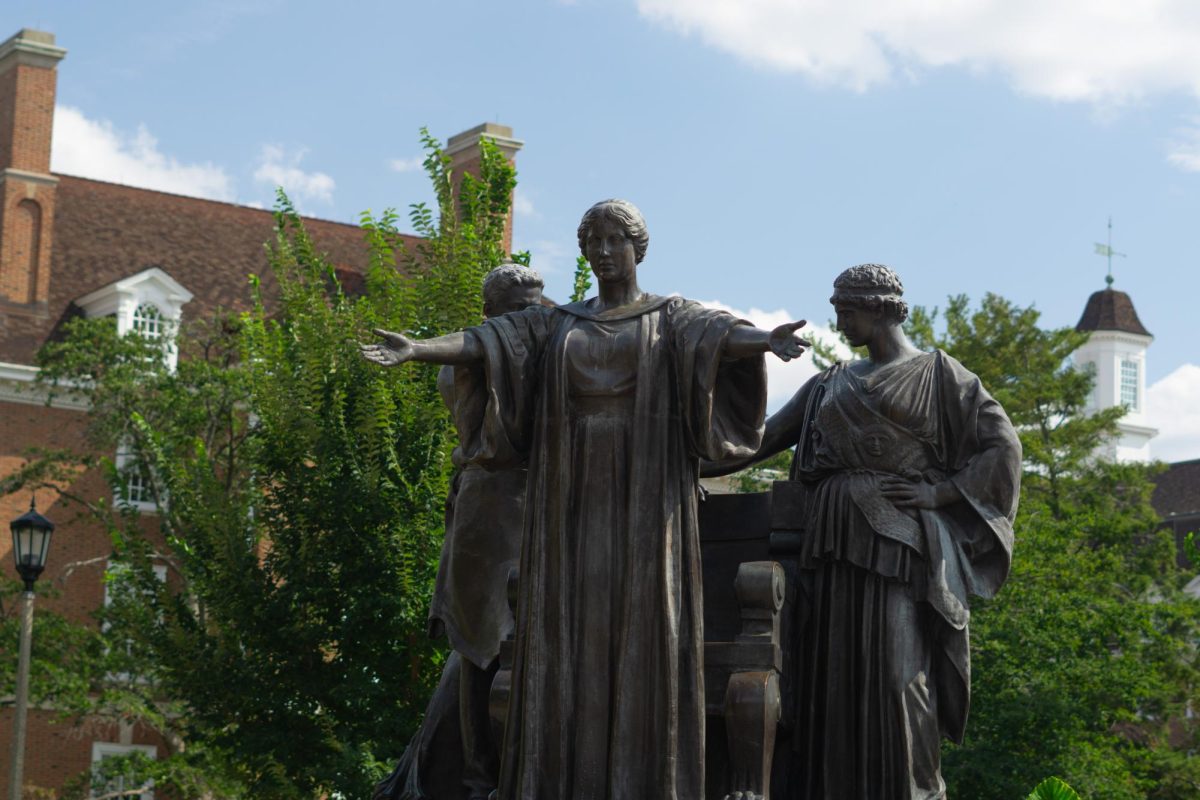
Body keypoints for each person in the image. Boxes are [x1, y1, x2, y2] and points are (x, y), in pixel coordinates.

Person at [362, 199, 808, 800]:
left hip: (646, 494)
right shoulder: (555, 324)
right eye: (592, 241)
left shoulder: (670, 317)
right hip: (568, 496)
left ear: (637, 248)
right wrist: (417, 348)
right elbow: (487, 342)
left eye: (613, 240)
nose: (602, 252)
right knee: (564, 631)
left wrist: (763, 340)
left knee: (643, 623)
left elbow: (719, 335)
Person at [704, 264, 1021, 799]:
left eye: (846, 311)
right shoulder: (830, 382)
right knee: (832, 687)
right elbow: (761, 440)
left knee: (901, 683)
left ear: (880, 309)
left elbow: (1003, 446)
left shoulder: (940, 376)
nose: (839, 322)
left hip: (897, 548)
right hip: (828, 551)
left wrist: (942, 494)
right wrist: (682, 462)